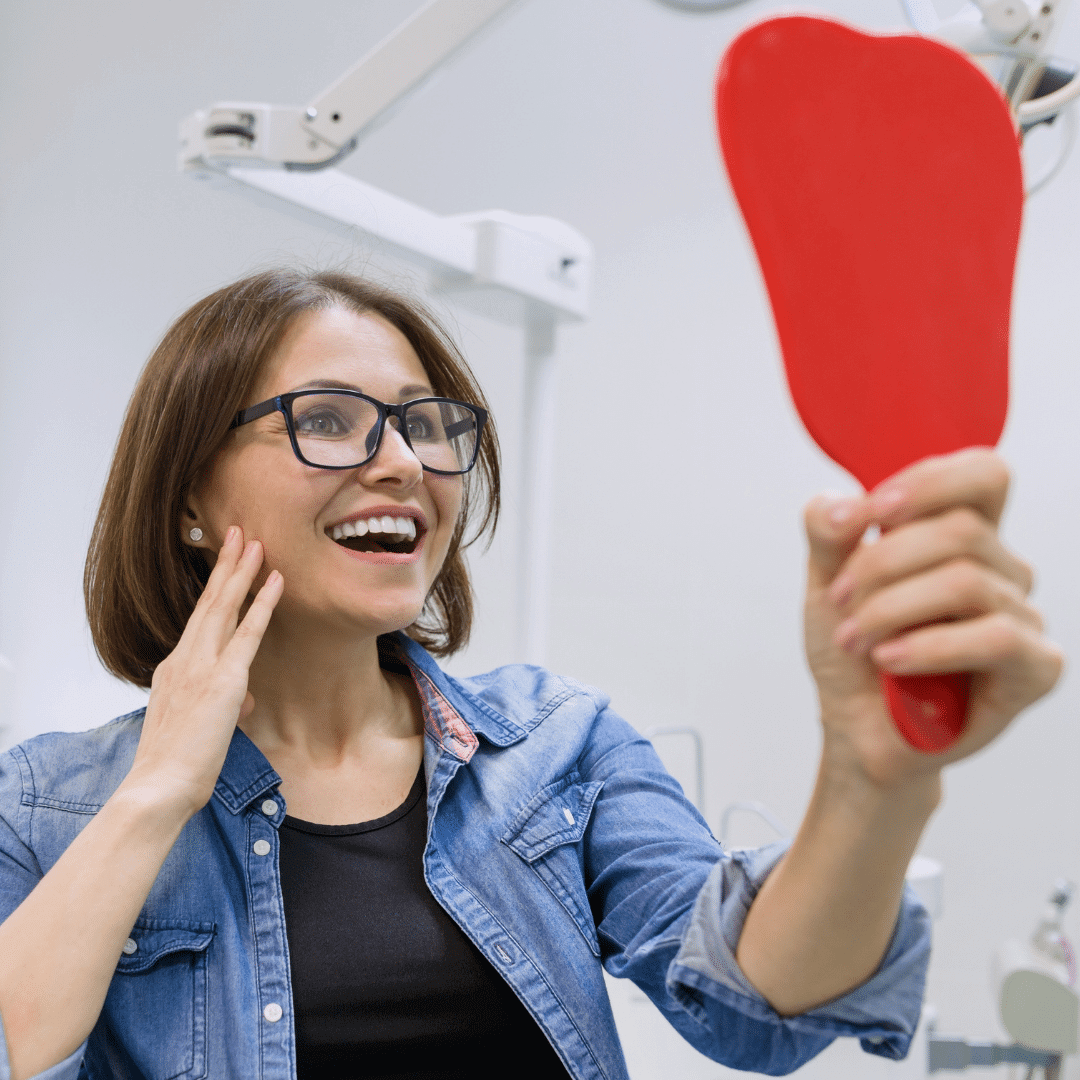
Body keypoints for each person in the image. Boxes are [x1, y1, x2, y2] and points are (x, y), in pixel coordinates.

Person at [0, 268, 1061, 1080]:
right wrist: (160, 788)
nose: (403, 461)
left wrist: (876, 779)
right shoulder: (46, 808)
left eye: (424, 423)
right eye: (325, 420)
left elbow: (758, 1002)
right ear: (189, 499)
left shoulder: (556, 746)